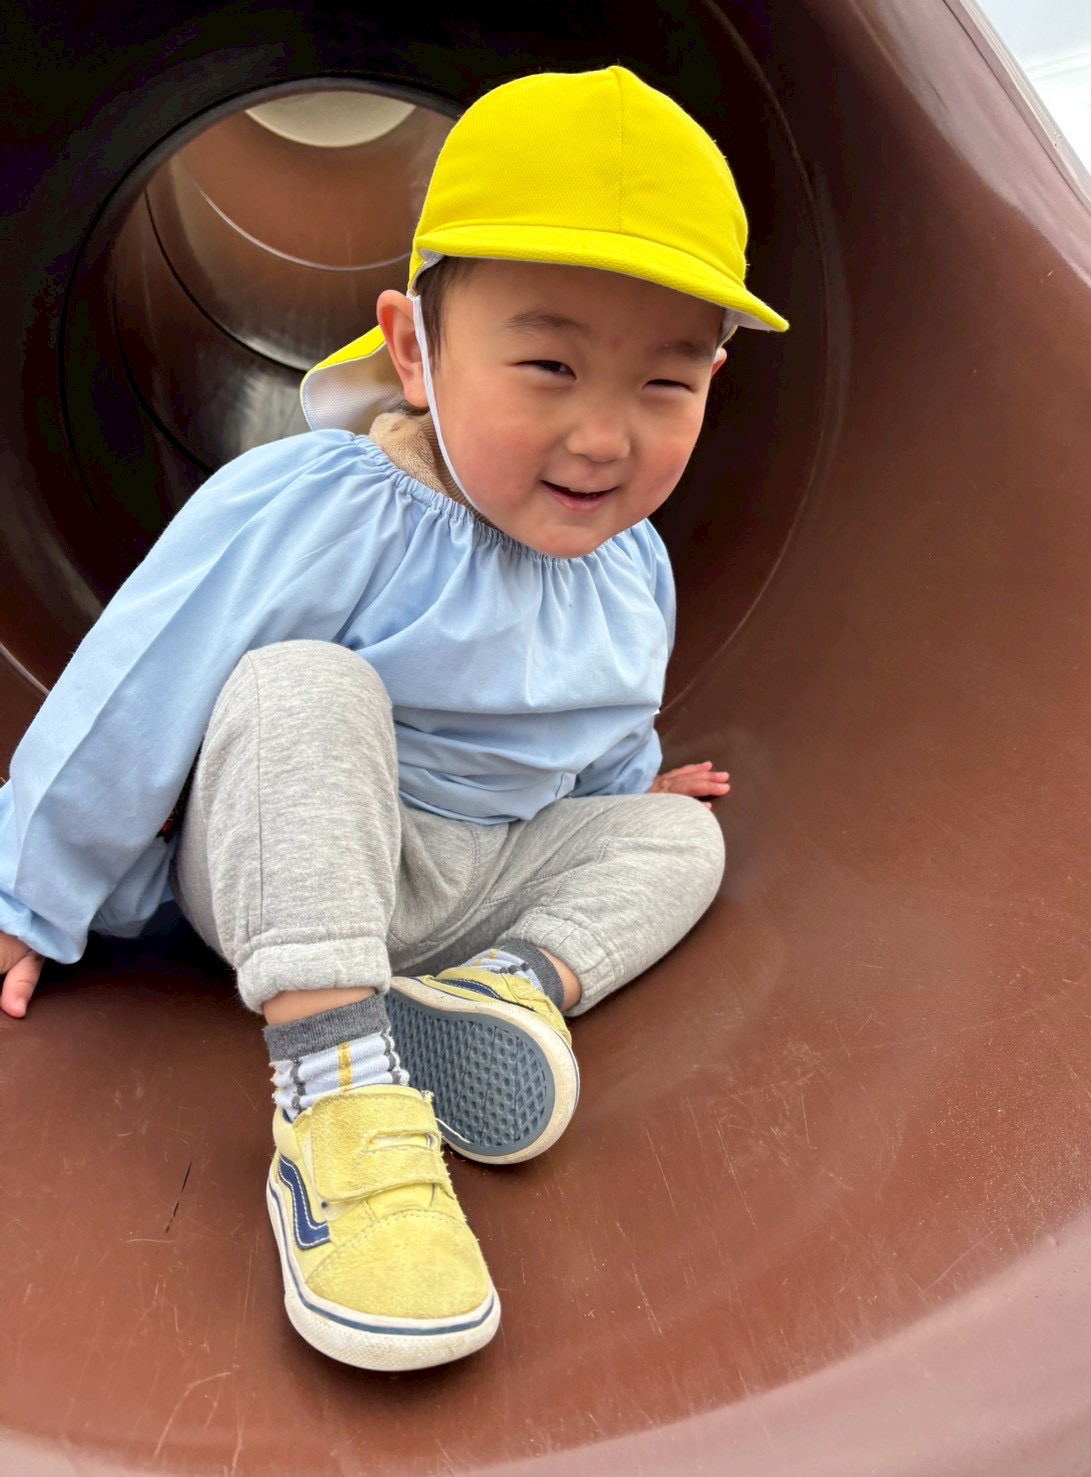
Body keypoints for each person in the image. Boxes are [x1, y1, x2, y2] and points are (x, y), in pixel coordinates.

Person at [0, 65, 787, 1371]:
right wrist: (30, 890)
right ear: (415, 353)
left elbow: (602, 712)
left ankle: (493, 993)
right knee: (300, 685)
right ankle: (340, 1099)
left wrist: (624, 795)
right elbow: (140, 676)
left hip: (475, 883)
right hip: (290, 864)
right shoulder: (331, 505)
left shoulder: (632, 564)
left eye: (665, 384)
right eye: (549, 365)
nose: (604, 436)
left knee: (682, 840)